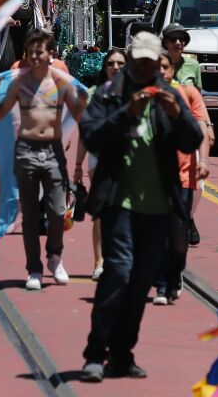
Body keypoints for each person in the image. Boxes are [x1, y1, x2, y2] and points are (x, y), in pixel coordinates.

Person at [78, 31, 203, 382]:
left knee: (140, 283)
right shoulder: (109, 93)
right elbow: (91, 136)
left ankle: (122, 354)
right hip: (120, 201)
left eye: (152, 64)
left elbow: (192, 139)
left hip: (158, 207)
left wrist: (178, 114)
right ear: (131, 62)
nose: (147, 70)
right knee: (118, 271)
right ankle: (95, 353)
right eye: (141, 63)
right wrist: (125, 113)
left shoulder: (169, 94)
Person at [0, 29, 85, 291]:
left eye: (39, 52)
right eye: (31, 52)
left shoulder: (60, 82)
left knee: (56, 210)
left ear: (50, 54)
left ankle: (55, 256)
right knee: (30, 216)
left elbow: (79, 112)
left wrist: (68, 135)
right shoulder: (19, 83)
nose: (34, 57)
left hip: (53, 152)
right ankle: (34, 268)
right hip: (26, 152)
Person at [151, 51, 210, 305]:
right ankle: (163, 285)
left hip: (184, 173)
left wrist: (204, 160)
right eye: (157, 68)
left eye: (166, 67)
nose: (162, 72)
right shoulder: (144, 97)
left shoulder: (188, 94)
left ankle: (175, 272)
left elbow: (201, 129)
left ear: (172, 70)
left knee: (178, 236)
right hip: (152, 176)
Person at [74, 47, 126, 281]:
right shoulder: (95, 93)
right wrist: (77, 164)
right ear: (104, 68)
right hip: (100, 159)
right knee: (102, 212)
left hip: (129, 160)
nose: (116, 68)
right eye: (111, 64)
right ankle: (99, 261)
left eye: (121, 64)